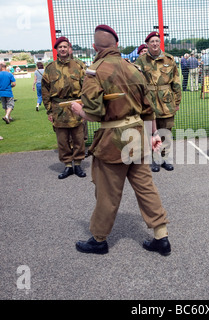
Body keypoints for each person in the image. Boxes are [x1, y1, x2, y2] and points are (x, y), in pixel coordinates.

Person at [71, 24, 171, 256]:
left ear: (95, 47)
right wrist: (155, 134)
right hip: (138, 137)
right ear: (116, 45)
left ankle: (99, 240)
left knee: (108, 193)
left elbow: (94, 113)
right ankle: (161, 236)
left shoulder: (94, 71)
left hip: (113, 143)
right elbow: (149, 109)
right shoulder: (135, 68)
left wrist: (78, 110)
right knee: (146, 188)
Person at [135, 31, 181, 172]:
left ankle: (164, 158)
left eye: (156, 41)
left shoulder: (169, 59)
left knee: (165, 132)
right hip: (148, 102)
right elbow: (135, 82)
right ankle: (153, 159)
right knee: (149, 133)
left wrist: (177, 102)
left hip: (166, 102)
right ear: (147, 44)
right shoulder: (141, 61)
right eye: (152, 42)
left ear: (160, 43)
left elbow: (176, 82)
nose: (154, 44)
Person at [41, 36, 87, 179]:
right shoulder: (50, 68)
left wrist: (85, 105)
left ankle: (78, 164)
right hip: (58, 108)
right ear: (56, 50)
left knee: (79, 138)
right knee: (62, 139)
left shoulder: (79, 66)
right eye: (60, 47)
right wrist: (49, 110)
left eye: (65, 46)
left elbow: (86, 86)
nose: (62, 49)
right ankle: (67, 166)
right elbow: (45, 90)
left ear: (69, 49)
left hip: (76, 106)